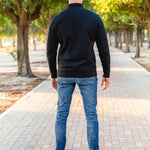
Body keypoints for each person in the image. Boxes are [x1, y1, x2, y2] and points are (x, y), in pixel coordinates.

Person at [47, 0, 110, 149]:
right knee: (91, 115)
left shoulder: (57, 19)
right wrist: (106, 73)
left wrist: (53, 75)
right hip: (87, 73)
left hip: (65, 72)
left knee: (62, 114)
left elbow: (50, 52)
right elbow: (103, 49)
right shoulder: (94, 18)